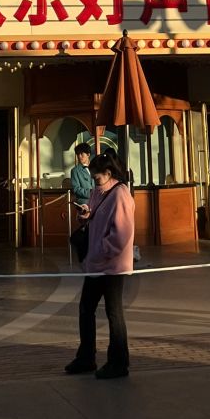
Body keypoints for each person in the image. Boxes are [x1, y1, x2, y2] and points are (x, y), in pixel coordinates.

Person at [65, 150, 135, 380]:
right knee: (86, 308)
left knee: (114, 312)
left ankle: (119, 362)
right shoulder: (98, 191)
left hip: (112, 265)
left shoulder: (121, 194)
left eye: (97, 176)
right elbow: (93, 214)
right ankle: (86, 357)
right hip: (96, 263)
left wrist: (99, 252)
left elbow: (121, 234)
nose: (94, 180)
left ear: (108, 172)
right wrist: (85, 215)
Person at [70, 143, 93, 209]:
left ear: (88, 154)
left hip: (97, 202)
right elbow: (76, 189)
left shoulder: (95, 168)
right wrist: (91, 193)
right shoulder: (75, 170)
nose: (79, 156)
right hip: (83, 203)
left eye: (81, 154)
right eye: (78, 154)